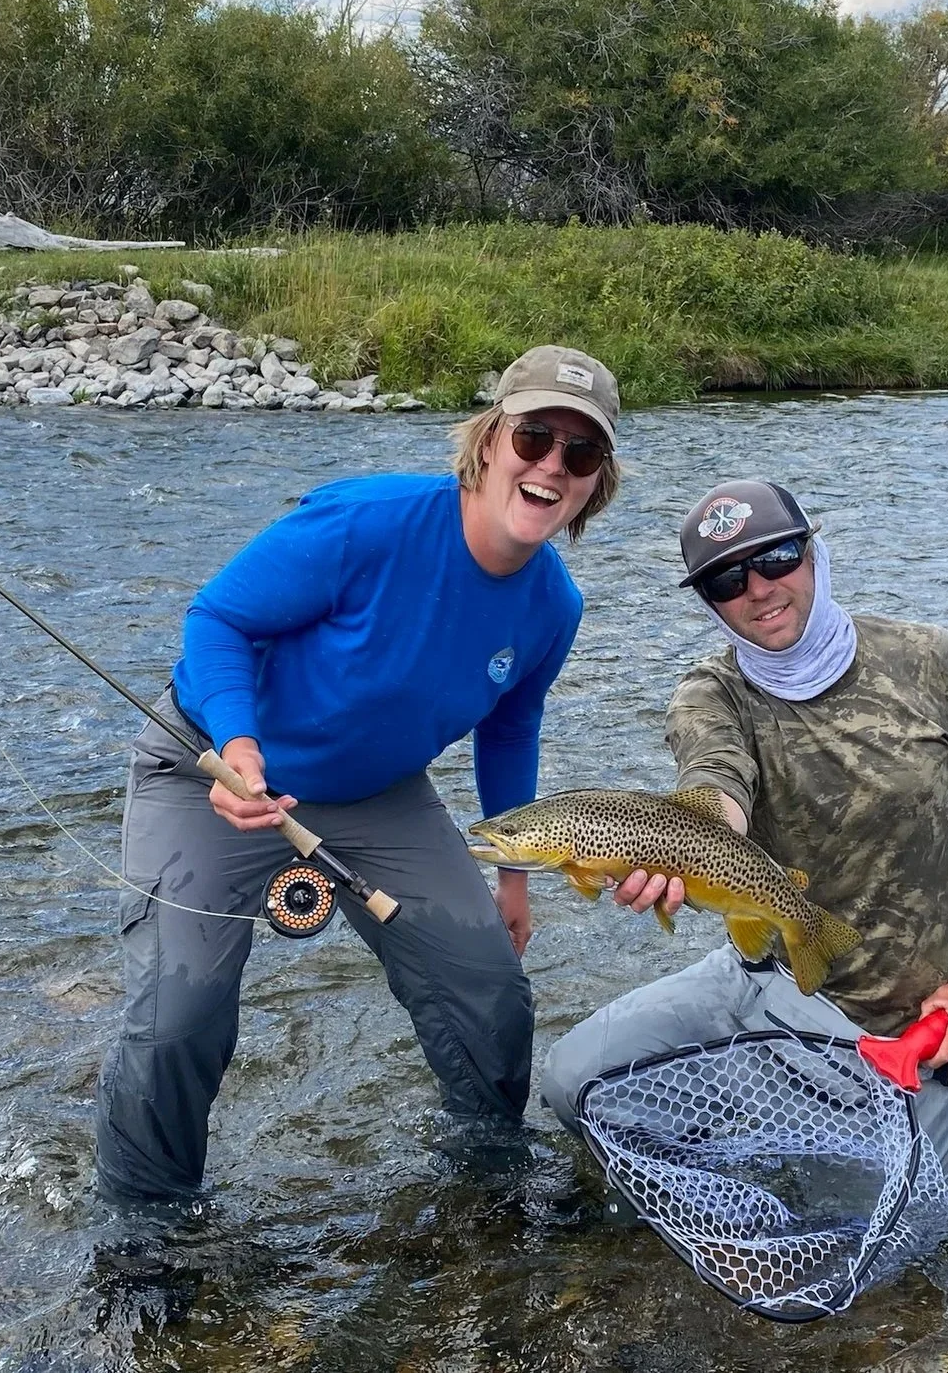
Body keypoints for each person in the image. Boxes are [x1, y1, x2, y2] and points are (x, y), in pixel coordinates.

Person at [97, 345, 623, 1201]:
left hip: (378, 795)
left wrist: (516, 875)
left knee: (490, 989)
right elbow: (218, 618)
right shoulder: (367, 522)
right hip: (208, 769)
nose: (551, 467)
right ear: (489, 441)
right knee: (178, 1016)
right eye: (533, 437)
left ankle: (485, 1181)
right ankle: (145, 1229)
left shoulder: (553, 605)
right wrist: (238, 746)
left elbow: (510, 727)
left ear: (595, 484)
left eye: (581, 454)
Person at [537, 478, 948, 1165]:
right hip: (761, 981)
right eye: (726, 581)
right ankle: (734, 1141)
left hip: (912, 1023)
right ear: (710, 604)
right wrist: (693, 843)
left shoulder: (934, 662)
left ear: (813, 552)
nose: (760, 590)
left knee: (888, 1244)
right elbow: (715, 780)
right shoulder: (710, 695)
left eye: (777, 558)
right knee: (572, 1083)